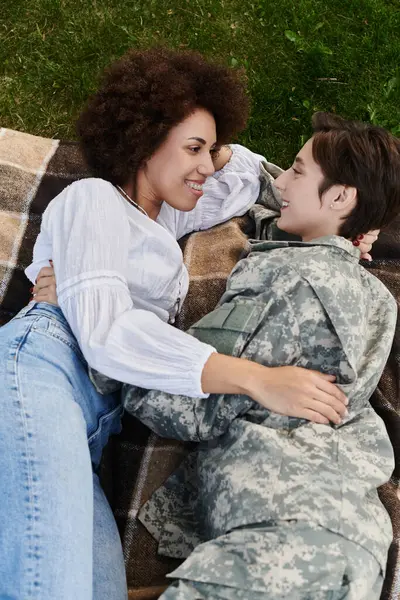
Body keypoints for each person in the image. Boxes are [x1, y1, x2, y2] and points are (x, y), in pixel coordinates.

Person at [0, 48, 350, 600]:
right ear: (143, 142)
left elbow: (247, 175)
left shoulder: (171, 216)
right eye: (193, 148)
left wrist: (213, 141)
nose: (206, 166)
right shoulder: (92, 200)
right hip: (40, 375)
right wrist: (254, 377)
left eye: (208, 150)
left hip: (89, 425)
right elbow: (107, 334)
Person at [107, 113, 399, 599]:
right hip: (331, 539)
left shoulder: (295, 283)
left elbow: (180, 398)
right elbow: (265, 184)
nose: (282, 179)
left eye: (298, 171)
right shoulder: (365, 289)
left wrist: (96, 326)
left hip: (287, 542)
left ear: (342, 197)